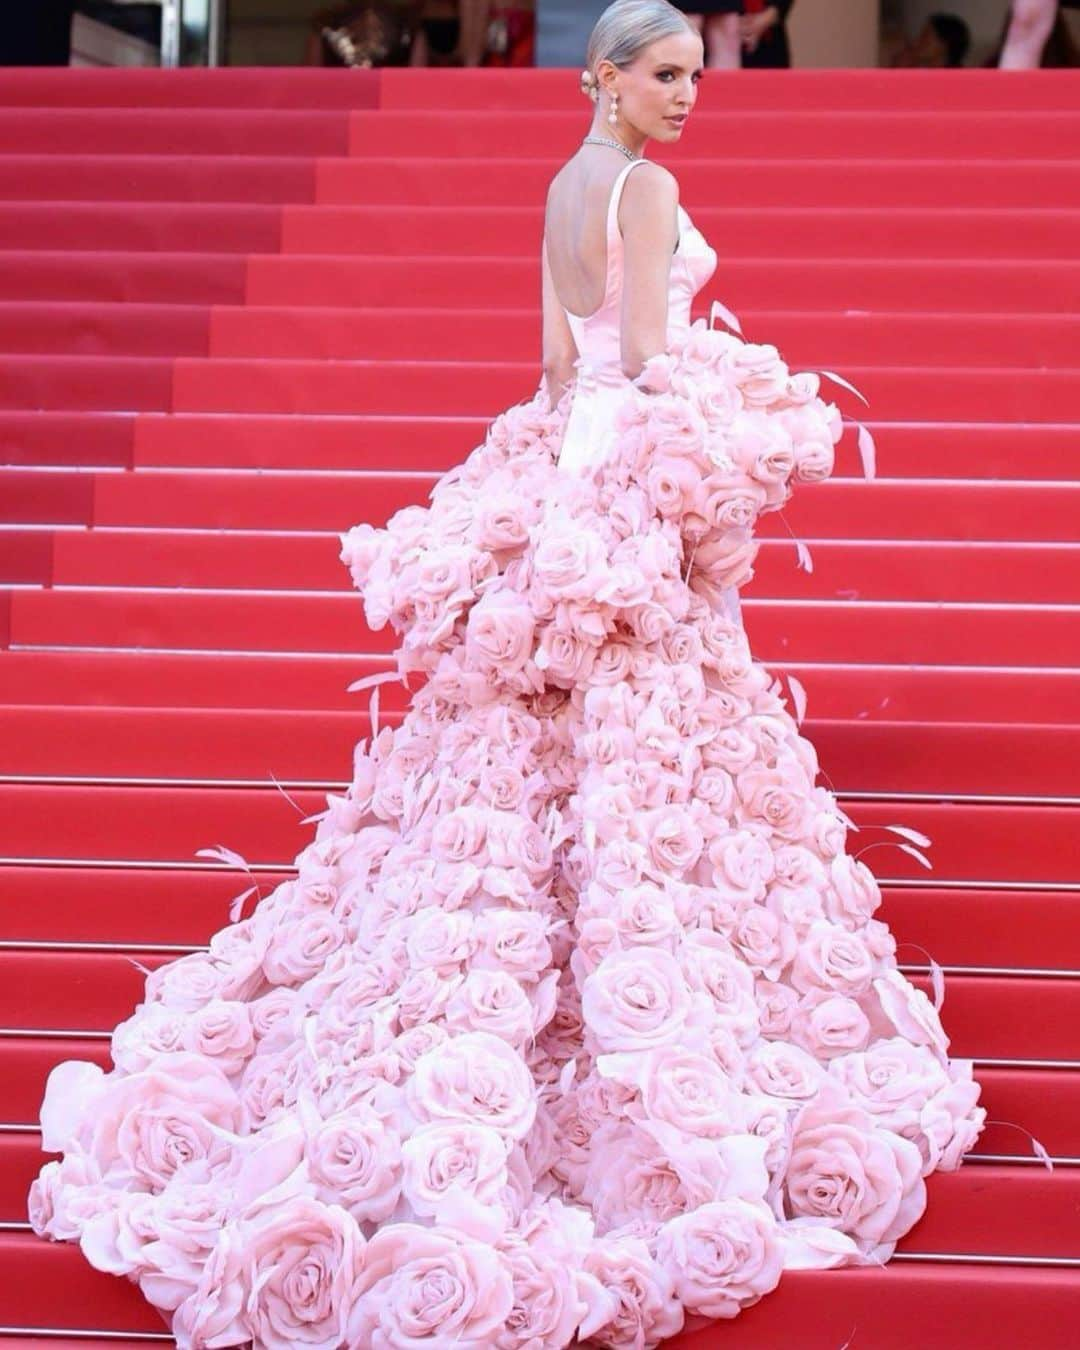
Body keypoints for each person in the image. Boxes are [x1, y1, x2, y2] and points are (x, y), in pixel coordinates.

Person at [28, 2, 989, 1345]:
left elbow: (553, 372)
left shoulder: (564, 184)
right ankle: (618, 1037)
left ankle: (533, 1021)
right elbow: (644, 363)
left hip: (562, 477)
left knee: (523, 768)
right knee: (650, 768)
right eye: (665, 74)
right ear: (607, 75)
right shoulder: (644, 188)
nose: (687, 97)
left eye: (696, 76)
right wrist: (736, 424)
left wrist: (549, 503)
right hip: (624, 492)